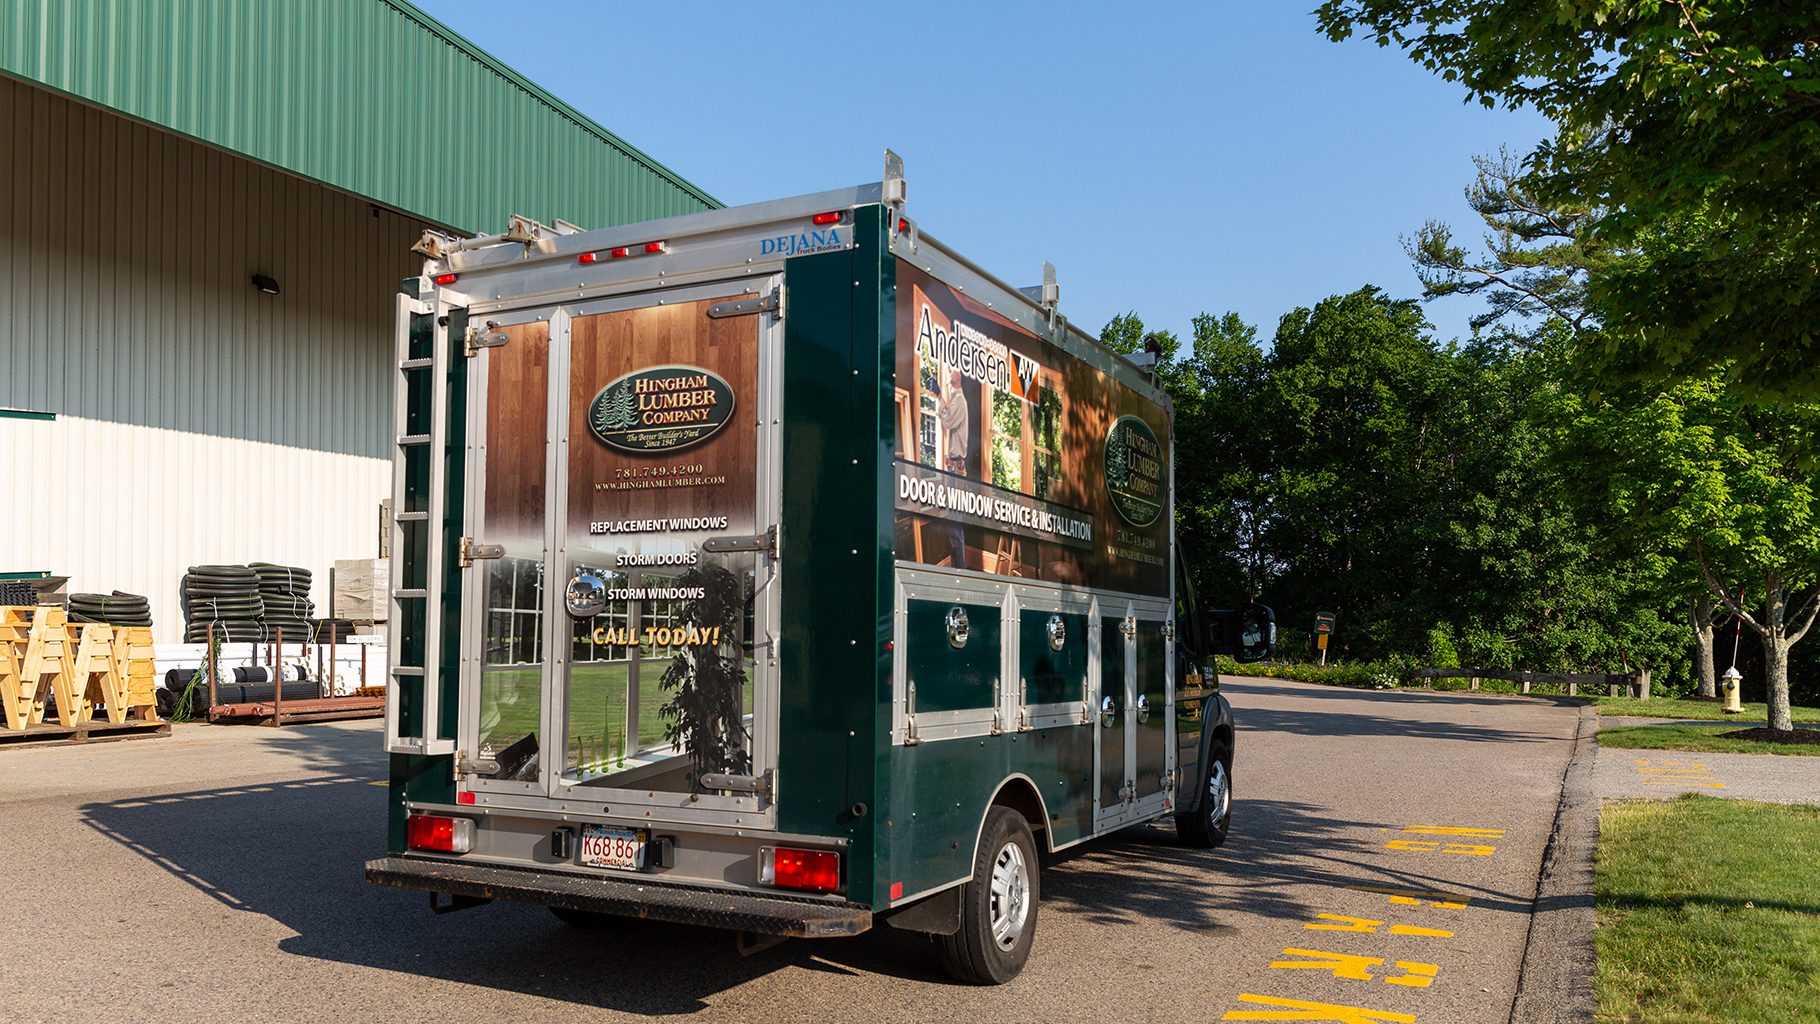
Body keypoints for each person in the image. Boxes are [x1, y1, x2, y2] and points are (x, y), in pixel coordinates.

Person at [937, 367, 971, 568]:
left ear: (959, 376)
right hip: (954, 468)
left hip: (956, 472)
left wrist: (939, 395)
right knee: (953, 523)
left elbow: (948, 420)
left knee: (955, 524)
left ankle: (960, 572)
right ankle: (958, 569)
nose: (950, 373)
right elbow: (948, 416)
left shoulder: (960, 400)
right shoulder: (957, 400)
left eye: (952, 371)